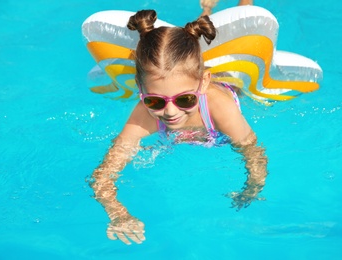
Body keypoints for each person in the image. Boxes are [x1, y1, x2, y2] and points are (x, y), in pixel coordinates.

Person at [89, 9, 267, 245]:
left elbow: (252, 150)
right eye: (155, 101)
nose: (170, 112)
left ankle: (214, 8)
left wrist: (251, 188)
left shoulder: (219, 108)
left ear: (203, 83)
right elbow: (102, 176)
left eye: (185, 99)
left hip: (231, 83)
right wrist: (119, 214)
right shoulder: (145, 114)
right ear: (139, 89)